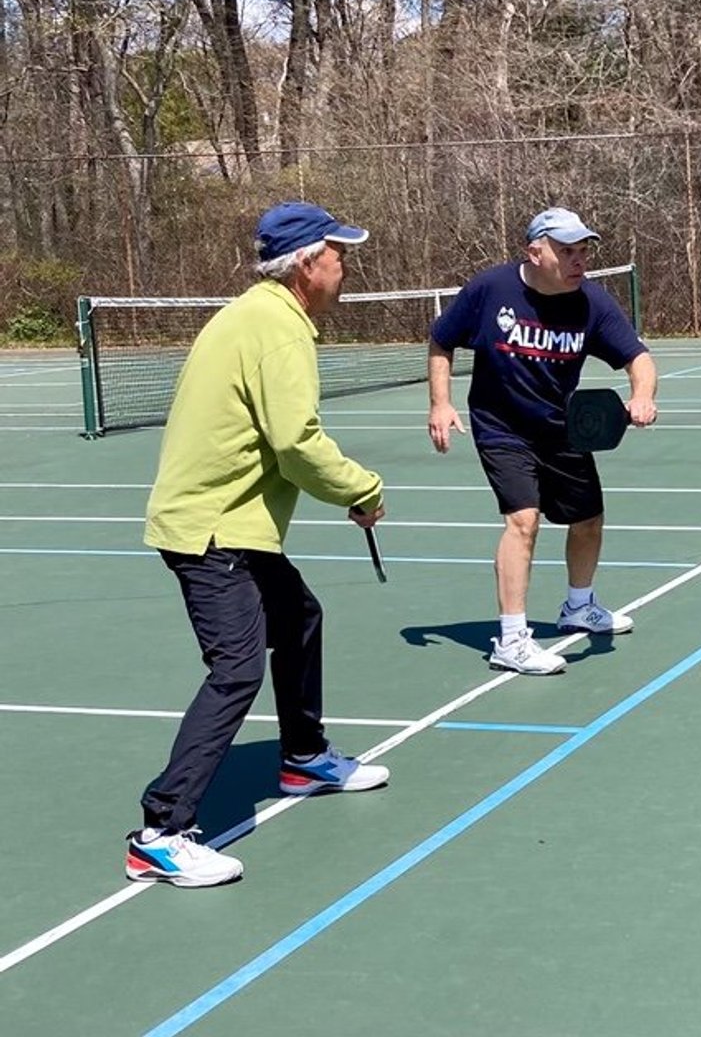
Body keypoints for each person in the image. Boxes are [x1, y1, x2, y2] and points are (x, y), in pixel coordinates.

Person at [126, 201, 390, 889]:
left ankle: (303, 757)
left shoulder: (261, 314)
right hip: (212, 529)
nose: (345, 265)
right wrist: (362, 488)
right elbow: (296, 442)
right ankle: (161, 830)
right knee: (238, 667)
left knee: (299, 618)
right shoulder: (278, 331)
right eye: (339, 252)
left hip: (235, 522)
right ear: (308, 264)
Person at [427, 206, 658, 676]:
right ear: (535, 252)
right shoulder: (490, 290)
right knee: (523, 522)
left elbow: (638, 357)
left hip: (563, 429)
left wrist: (642, 395)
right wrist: (440, 404)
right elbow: (440, 341)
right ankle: (512, 640)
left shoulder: (592, 302)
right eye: (567, 251)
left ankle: (578, 606)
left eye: (583, 251)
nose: (579, 261)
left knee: (589, 520)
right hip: (502, 428)